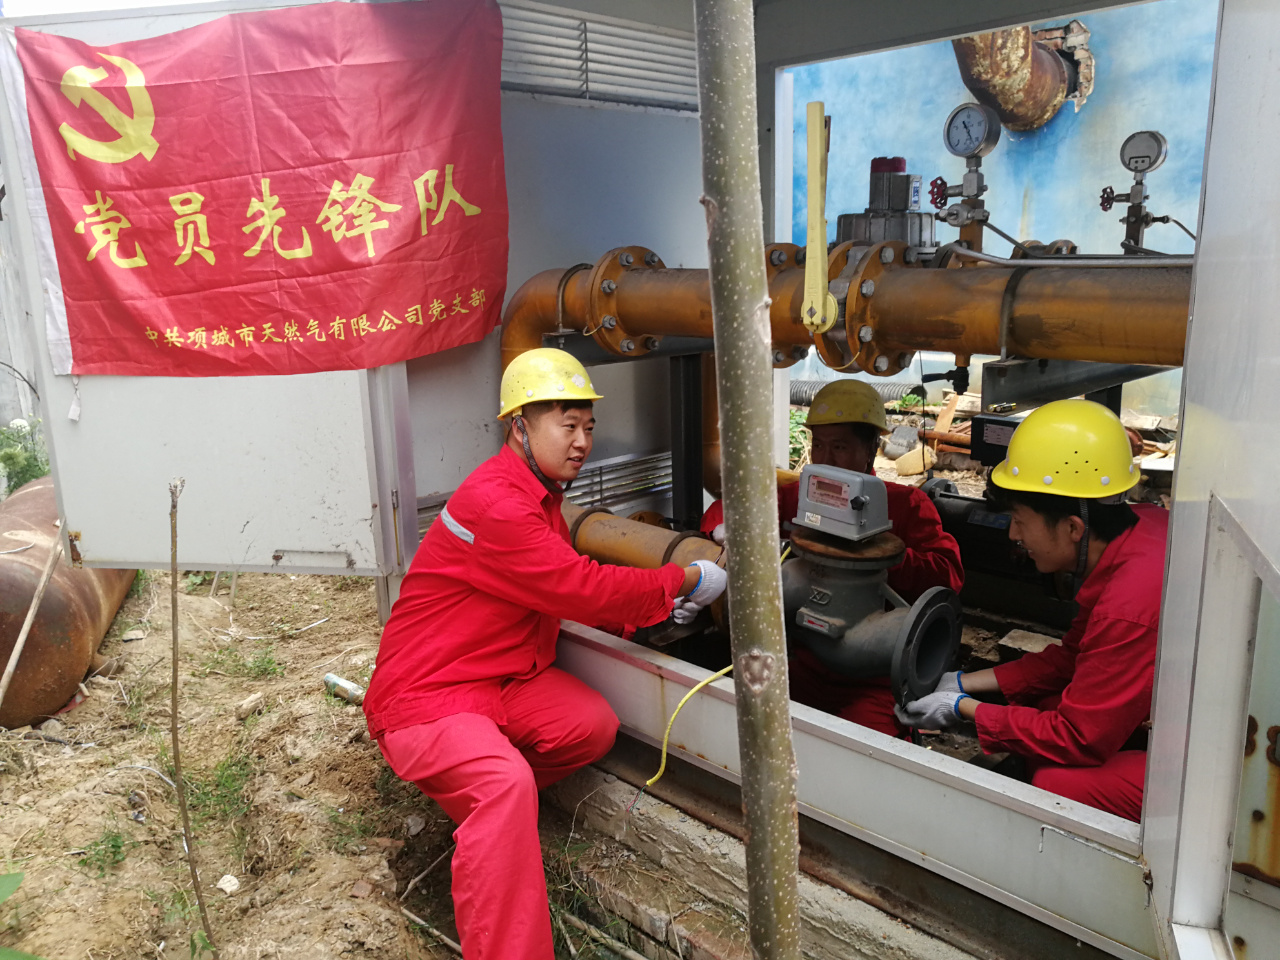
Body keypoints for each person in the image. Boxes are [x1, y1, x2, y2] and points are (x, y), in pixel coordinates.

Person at [363, 348, 727, 960]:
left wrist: (656, 615)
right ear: (520, 426)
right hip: (427, 696)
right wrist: (682, 582)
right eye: (567, 424)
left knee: (591, 727)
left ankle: (487, 839)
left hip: (499, 679)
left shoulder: (541, 496)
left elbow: (564, 593)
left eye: (589, 425)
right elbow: (580, 586)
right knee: (504, 785)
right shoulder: (500, 504)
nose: (582, 441)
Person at [895, 399, 1166, 822]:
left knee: (1056, 784)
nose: (1013, 534)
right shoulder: (1143, 527)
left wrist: (962, 709)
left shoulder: (1129, 605)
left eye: (1020, 519)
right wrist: (962, 682)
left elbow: (1078, 739)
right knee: (1048, 703)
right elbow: (1073, 658)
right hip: (1198, 722)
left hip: (1226, 768)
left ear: (1073, 528)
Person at [702, 378, 963, 736]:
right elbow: (728, 509)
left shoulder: (904, 504)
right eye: (819, 444)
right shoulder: (796, 496)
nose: (825, 459)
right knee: (757, 733)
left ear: (871, 446)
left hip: (871, 673)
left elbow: (948, 577)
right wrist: (725, 529)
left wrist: (883, 556)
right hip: (800, 658)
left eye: (840, 446)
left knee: (870, 749)